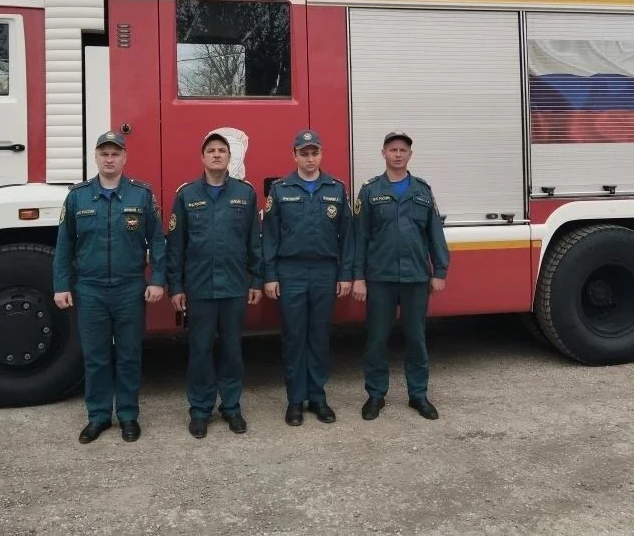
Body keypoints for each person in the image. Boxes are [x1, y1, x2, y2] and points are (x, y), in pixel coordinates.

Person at [52, 130, 166, 444]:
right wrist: (61, 285)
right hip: (90, 290)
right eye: (104, 154)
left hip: (130, 288)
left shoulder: (141, 195)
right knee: (96, 357)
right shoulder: (77, 197)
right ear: (96, 157)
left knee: (129, 356)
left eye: (115, 154)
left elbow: (158, 241)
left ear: (125, 158)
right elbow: (64, 245)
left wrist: (157, 279)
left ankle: (128, 416)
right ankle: (98, 416)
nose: (109, 159)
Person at [166, 132, 264, 438]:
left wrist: (256, 279)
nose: (217, 154)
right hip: (199, 288)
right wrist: (175, 287)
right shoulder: (187, 195)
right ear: (202, 157)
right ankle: (200, 410)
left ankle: (231, 407)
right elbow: (176, 246)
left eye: (222, 150)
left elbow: (254, 242)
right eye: (211, 150)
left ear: (230, 158)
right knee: (200, 350)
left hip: (234, 286)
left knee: (232, 350)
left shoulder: (245, 194)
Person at [352, 131, 449, 421]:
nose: (397, 154)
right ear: (383, 153)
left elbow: (434, 234)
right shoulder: (370, 191)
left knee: (416, 338)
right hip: (379, 278)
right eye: (392, 149)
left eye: (402, 150)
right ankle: (375, 395)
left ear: (410, 155)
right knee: (376, 339)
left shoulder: (422, 191)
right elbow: (359, 238)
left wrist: (440, 270)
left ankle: (418, 395)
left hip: (415, 278)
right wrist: (358, 277)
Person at [262, 130, 354, 426]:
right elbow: (269, 237)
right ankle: (295, 401)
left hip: (325, 271)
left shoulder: (336, 189)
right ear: (294, 156)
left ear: (321, 154)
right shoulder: (280, 189)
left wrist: (345, 274)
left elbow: (347, 237)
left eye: (314, 153)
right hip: (291, 272)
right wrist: (270, 275)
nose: (310, 158)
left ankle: (317, 398)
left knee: (319, 336)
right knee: (294, 337)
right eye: (304, 153)